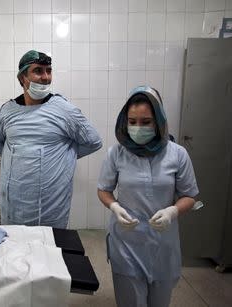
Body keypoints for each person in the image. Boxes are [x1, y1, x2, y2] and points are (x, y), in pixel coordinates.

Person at [97, 86, 199, 307]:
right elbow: (103, 190)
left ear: (159, 120)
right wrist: (114, 206)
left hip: (163, 244)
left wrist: (172, 211)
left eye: (146, 122)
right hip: (126, 243)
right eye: (132, 121)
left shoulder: (177, 154)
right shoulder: (116, 153)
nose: (137, 128)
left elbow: (190, 195)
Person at [0, 50, 102, 228]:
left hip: (51, 209)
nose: (45, 77)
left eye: (49, 71)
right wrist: (18, 157)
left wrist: (61, 157)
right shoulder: (6, 112)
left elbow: (93, 141)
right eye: (38, 71)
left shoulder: (64, 110)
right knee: (16, 251)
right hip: (13, 207)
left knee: (49, 250)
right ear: (23, 77)